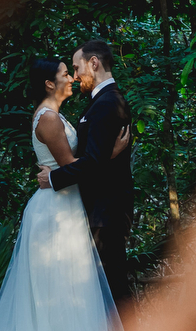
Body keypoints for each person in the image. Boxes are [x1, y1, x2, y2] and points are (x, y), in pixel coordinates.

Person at [0, 58, 131, 331]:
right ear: (49, 83)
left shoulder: (54, 116)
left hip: (63, 204)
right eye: (64, 74)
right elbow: (73, 167)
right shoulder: (48, 120)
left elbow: (67, 170)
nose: (72, 78)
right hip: (55, 212)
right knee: (60, 282)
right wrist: (112, 154)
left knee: (69, 282)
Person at [37, 40, 136, 309]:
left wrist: (54, 178)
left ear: (94, 63)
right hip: (97, 209)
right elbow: (95, 156)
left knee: (114, 288)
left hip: (106, 210)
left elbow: (93, 160)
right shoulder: (100, 101)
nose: (76, 74)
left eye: (78, 67)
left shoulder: (107, 103)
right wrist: (106, 155)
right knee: (104, 290)